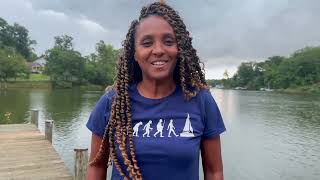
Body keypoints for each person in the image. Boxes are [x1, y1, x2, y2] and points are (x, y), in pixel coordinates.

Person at [86, 2, 226, 180]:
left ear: (179, 49)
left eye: (168, 41)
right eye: (147, 43)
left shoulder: (200, 100)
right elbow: (97, 165)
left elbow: (214, 172)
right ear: (135, 54)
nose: (158, 50)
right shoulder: (112, 102)